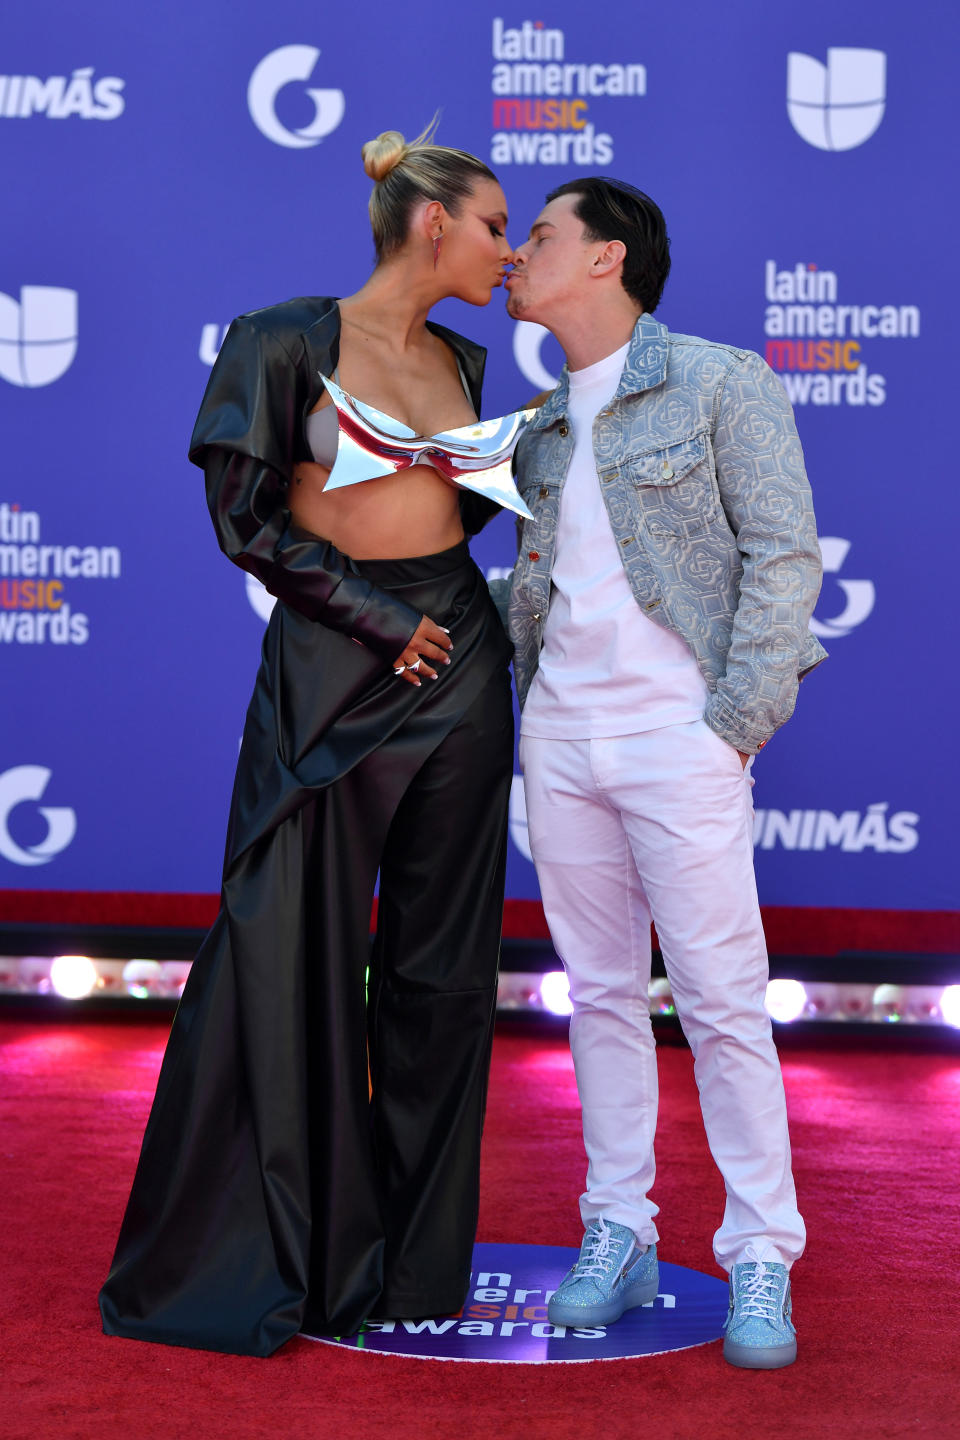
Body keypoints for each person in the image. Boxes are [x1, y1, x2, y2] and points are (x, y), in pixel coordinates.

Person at [99, 126, 518, 1357]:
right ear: (431, 223)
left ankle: (413, 1265)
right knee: (286, 955)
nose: (507, 249)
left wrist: (442, 620)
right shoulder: (281, 337)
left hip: (463, 666)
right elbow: (245, 518)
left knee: (442, 979)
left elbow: (453, 517)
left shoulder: (468, 357)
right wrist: (381, 621)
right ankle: (286, 1255)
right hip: (337, 669)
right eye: (496, 225)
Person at [503, 178, 826, 1369]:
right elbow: (552, 590)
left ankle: (758, 1254)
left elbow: (786, 557)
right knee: (596, 996)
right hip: (562, 740)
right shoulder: (538, 425)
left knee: (724, 1004)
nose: (515, 255)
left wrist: (732, 724)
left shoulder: (720, 380)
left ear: (608, 260)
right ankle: (619, 1230)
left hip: (677, 744)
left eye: (540, 235)